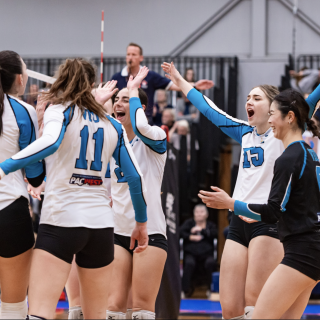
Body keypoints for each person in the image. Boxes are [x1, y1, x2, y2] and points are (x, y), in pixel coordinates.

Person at [161, 61, 320, 319]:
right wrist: (179, 80)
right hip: (237, 222)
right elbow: (207, 108)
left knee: (255, 304)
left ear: (272, 107)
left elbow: (311, 99)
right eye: (247, 97)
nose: (249, 101)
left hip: (267, 221)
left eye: (256, 97)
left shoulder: (285, 132)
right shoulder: (244, 133)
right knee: (230, 308)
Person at [0, 58, 148, 320]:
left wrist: (5, 167)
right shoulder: (112, 124)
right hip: (101, 227)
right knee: (95, 315)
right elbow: (134, 177)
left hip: (61, 223)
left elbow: (52, 142)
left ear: (62, 81)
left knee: (40, 312)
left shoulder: (61, 111)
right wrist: (141, 223)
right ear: (92, 85)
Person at [200, 89, 320, 319]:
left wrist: (233, 204)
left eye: (273, 113)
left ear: (290, 117)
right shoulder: (309, 153)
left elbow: (274, 211)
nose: (271, 120)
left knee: (259, 314)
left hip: (300, 250)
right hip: (309, 246)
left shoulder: (289, 157)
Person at [105, 67, 168, 319]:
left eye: (126, 99)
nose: (119, 103)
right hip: (118, 231)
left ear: (140, 107)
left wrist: (133, 91)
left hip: (149, 232)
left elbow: (141, 126)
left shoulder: (155, 136)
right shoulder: (109, 142)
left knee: (141, 309)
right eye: (116, 99)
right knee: (113, 307)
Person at [0, 50, 45, 319]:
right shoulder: (23, 111)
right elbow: (35, 174)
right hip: (10, 211)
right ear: (19, 78)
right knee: (14, 307)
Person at [111, 43, 214, 123]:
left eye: (134, 54)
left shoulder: (150, 75)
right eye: (128, 54)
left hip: (145, 120)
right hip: (122, 121)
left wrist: (195, 85)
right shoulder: (117, 77)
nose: (130, 57)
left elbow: (172, 85)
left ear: (141, 58)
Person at [180, 204, 217, 297]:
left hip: (206, 254)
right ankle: (185, 290)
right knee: (189, 263)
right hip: (191, 253)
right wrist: (190, 236)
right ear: (193, 214)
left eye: (202, 212)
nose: (199, 214)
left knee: (210, 263)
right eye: (197, 212)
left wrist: (202, 230)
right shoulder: (189, 223)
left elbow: (214, 233)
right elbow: (180, 232)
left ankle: (211, 289)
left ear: (206, 215)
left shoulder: (210, 225)